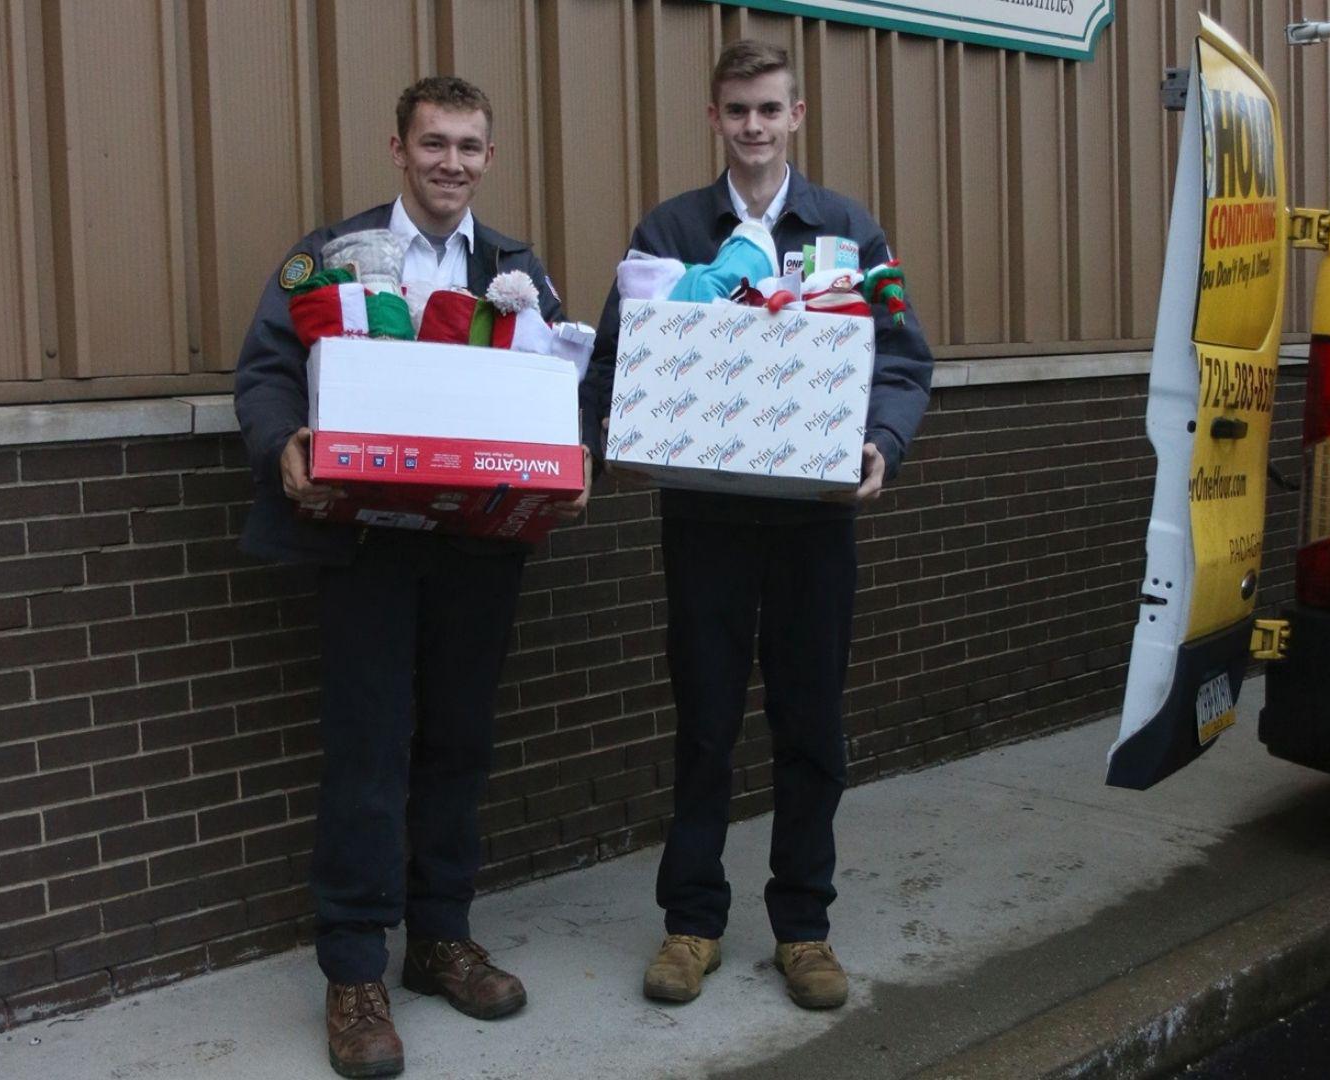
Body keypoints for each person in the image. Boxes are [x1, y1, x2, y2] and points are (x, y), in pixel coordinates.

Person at [235, 75, 588, 1079]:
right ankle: (354, 974)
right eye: (434, 144)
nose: (453, 164)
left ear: (489, 156)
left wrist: (576, 454)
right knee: (367, 755)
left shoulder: (516, 270)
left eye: (470, 147)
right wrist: (285, 443)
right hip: (366, 546)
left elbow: (560, 379)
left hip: (480, 549)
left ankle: (440, 940)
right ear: (398, 149)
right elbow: (265, 371)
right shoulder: (333, 256)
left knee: (458, 749)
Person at [580, 39, 933, 1012]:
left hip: (815, 521)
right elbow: (615, 361)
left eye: (769, 110)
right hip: (703, 520)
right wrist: (614, 438)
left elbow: (902, 358)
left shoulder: (850, 233)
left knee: (811, 721)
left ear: (796, 115)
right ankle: (691, 923)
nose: (753, 127)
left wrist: (882, 445)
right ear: (714, 117)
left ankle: (803, 928)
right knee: (703, 720)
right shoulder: (670, 232)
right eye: (737, 111)